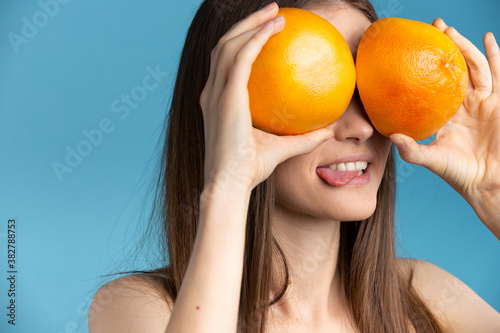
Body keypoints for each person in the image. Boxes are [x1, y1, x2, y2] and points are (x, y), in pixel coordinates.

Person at [87, 0, 500, 332]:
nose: (360, 127)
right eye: (319, 83)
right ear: (229, 112)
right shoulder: (140, 309)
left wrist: (494, 196)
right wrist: (228, 184)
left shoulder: (424, 296)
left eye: (373, 86)